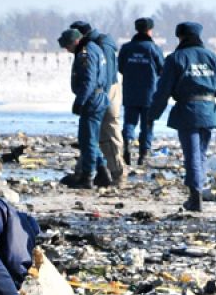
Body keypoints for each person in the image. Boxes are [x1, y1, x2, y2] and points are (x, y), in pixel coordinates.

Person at [152, 21, 216, 212]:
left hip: (188, 111)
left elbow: (163, 91)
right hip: (209, 111)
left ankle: (195, 195)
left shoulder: (176, 58)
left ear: (180, 36)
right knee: (201, 154)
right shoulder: (213, 57)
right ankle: (196, 190)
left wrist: (153, 114)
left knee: (192, 155)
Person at [71, 20, 123, 186]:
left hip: (103, 93)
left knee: (106, 134)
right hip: (104, 93)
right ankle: (92, 171)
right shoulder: (99, 43)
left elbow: (101, 75)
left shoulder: (97, 46)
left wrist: (98, 98)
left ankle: (114, 174)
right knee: (92, 136)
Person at [59, 27, 107, 189]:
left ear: (76, 42)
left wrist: (80, 101)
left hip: (91, 99)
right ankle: (103, 172)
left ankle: (88, 177)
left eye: (67, 46)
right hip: (99, 97)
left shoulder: (85, 53)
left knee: (87, 140)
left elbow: (89, 80)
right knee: (91, 138)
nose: (67, 50)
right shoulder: (95, 48)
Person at [118, 17, 164, 166]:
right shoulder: (154, 49)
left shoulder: (126, 48)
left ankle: (127, 144)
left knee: (129, 122)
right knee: (147, 124)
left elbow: (121, 67)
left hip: (130, 91)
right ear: (150, 30)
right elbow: (161, 69)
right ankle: (143, 153)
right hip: (149, 93)